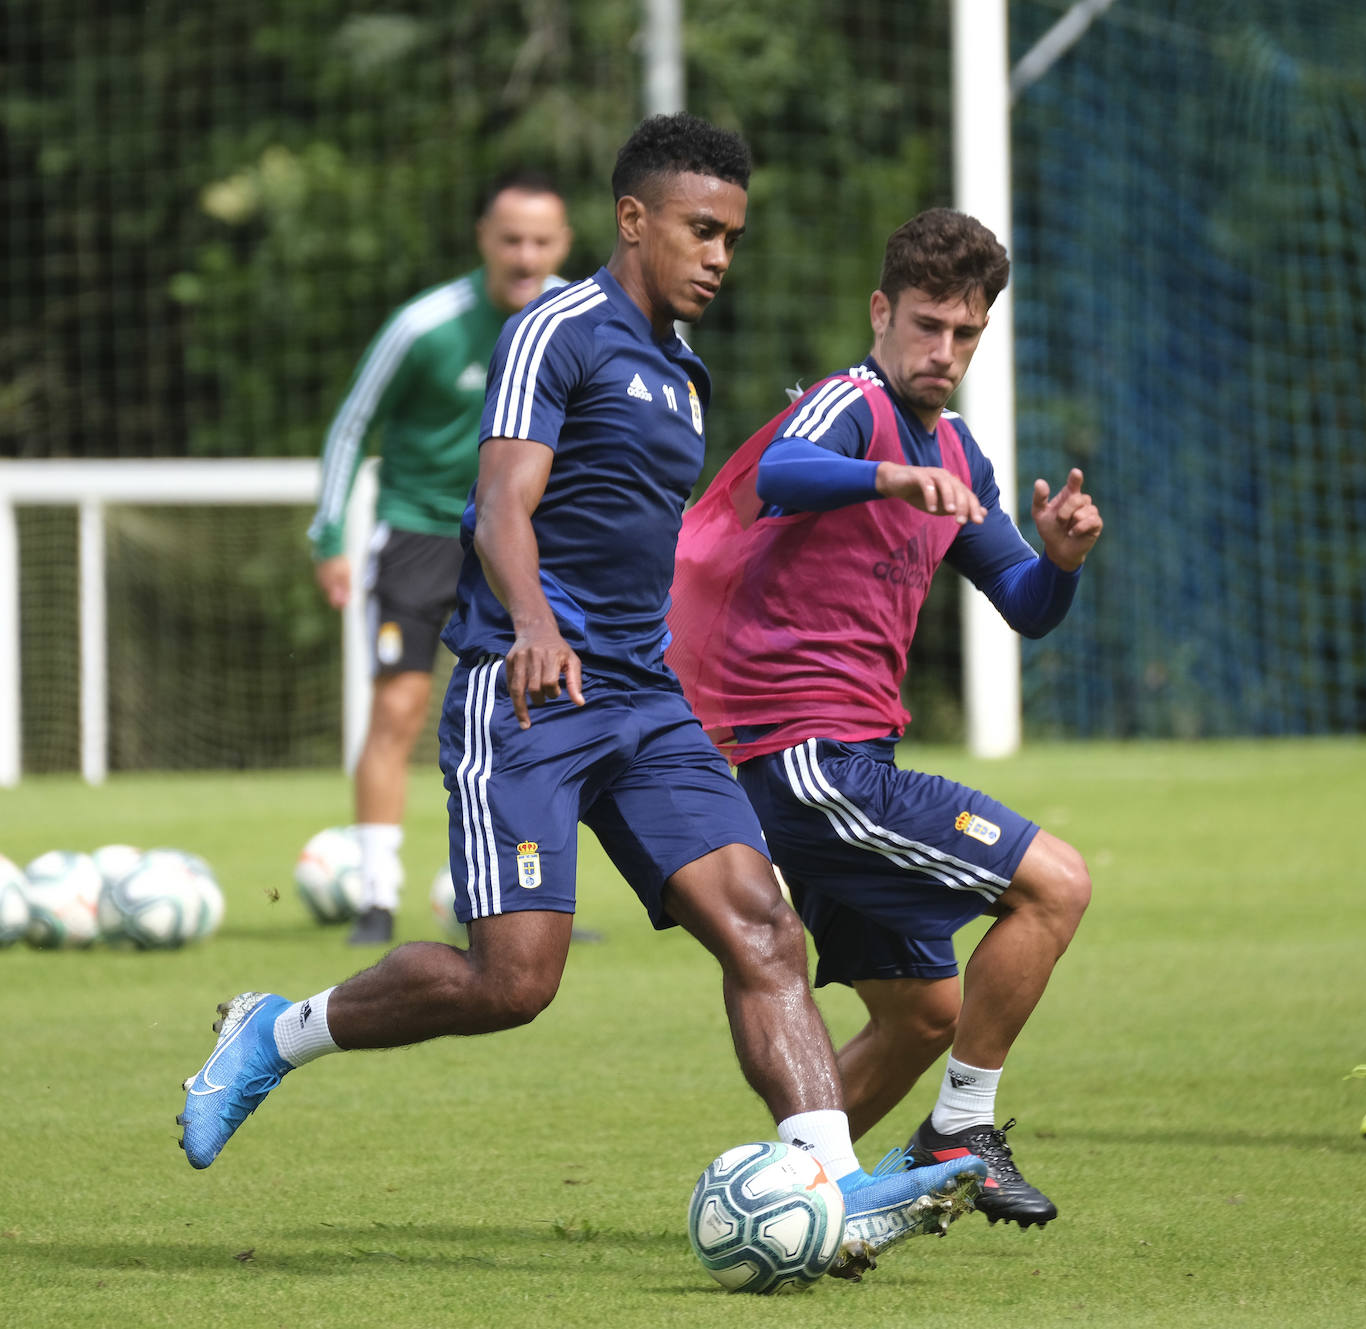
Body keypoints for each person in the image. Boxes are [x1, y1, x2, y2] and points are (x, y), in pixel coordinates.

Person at [178, 116, 986, 1281]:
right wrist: (540, 628)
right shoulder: (555, 328)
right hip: (525, 689)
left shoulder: (681, 371)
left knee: (762, 927)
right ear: (634, 220)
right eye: (702, 230)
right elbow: (504, 500)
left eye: (733, 238)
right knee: (514, 982)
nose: (719, 255)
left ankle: (829, 1183)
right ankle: (274, 1032)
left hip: (644, 703)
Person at [666, 208, 1102, 1229]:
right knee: (1057, 886)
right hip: (807, 760)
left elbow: (1027, 607)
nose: (942, 351)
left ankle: (792, 1205)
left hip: (850, 757)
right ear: (881, 312)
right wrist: (892, 474)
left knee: (922, 1016)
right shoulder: (849, 406)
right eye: (925, 326)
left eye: (965, 333)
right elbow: (783, 472)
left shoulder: (957, 451)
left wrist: (1066, 563)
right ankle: (961, 1131)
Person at [307, 171, 573, 946]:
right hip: (420, 536)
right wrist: (329, 537)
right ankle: (375, 897)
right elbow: (351, 425)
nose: (526, 255)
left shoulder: (575, 320)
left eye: (542, 240)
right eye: (511, 238)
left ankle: (533, 897)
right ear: (484, 239)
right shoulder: (425, 325)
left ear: (564, 244)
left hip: (522, 541)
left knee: (533, 719)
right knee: (397, 709)